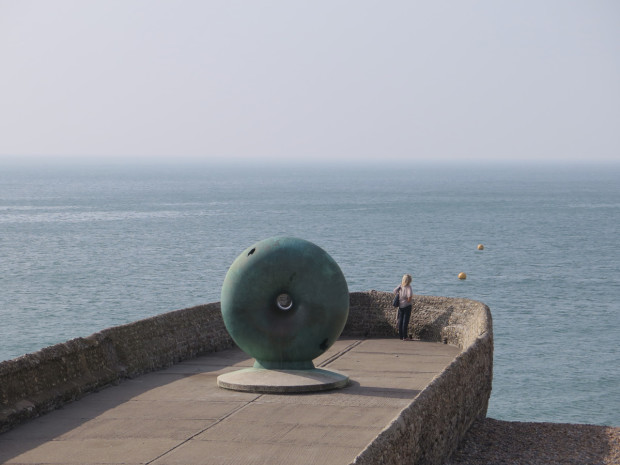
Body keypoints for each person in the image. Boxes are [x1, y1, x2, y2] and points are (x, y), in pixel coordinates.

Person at [393, 274, 413, 340]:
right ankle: (405, 336)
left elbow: (394, 291)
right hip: (407, 306)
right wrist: (408, 301)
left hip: (401, 306)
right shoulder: (408, 287)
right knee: (405, 322)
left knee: (400, 321)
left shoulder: (400, 286)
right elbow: (409, 297)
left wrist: (399, 295)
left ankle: (401, 336)